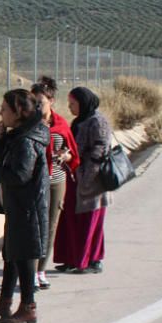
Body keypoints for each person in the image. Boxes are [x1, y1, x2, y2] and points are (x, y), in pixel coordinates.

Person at [0, 89, 50, 323]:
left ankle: (28, 307)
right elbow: (7, 158)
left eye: (5, 109)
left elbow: (19, 175)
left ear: (18, 112)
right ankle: (4, 302)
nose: (0, 112)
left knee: (25, 256)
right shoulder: (19, 135)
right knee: (12, 253)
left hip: (28, 207)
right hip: (18, 206)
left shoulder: (27, 140)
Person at [53, 87, 112, 274]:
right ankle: (71, 258)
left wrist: (86, 178)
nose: (69, 107)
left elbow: (99, 152)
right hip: (75, 177)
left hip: (91, 182)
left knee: (88, 222)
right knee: (71, 219)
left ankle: (89, 260)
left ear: (83, 102)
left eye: (73, 104)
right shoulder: (79, 121)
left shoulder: (98, 122)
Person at [30, 76, 80, 288]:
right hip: (34, 183)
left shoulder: (61, 124)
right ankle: (29, 272)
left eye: (39, 102)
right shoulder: (27, 123)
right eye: (33, 102)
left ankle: (41, 270)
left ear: (51, 101)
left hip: (57, 181)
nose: (36, 106)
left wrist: (65, 156)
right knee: (34, 227)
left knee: (51, 226)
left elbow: (73, 154)